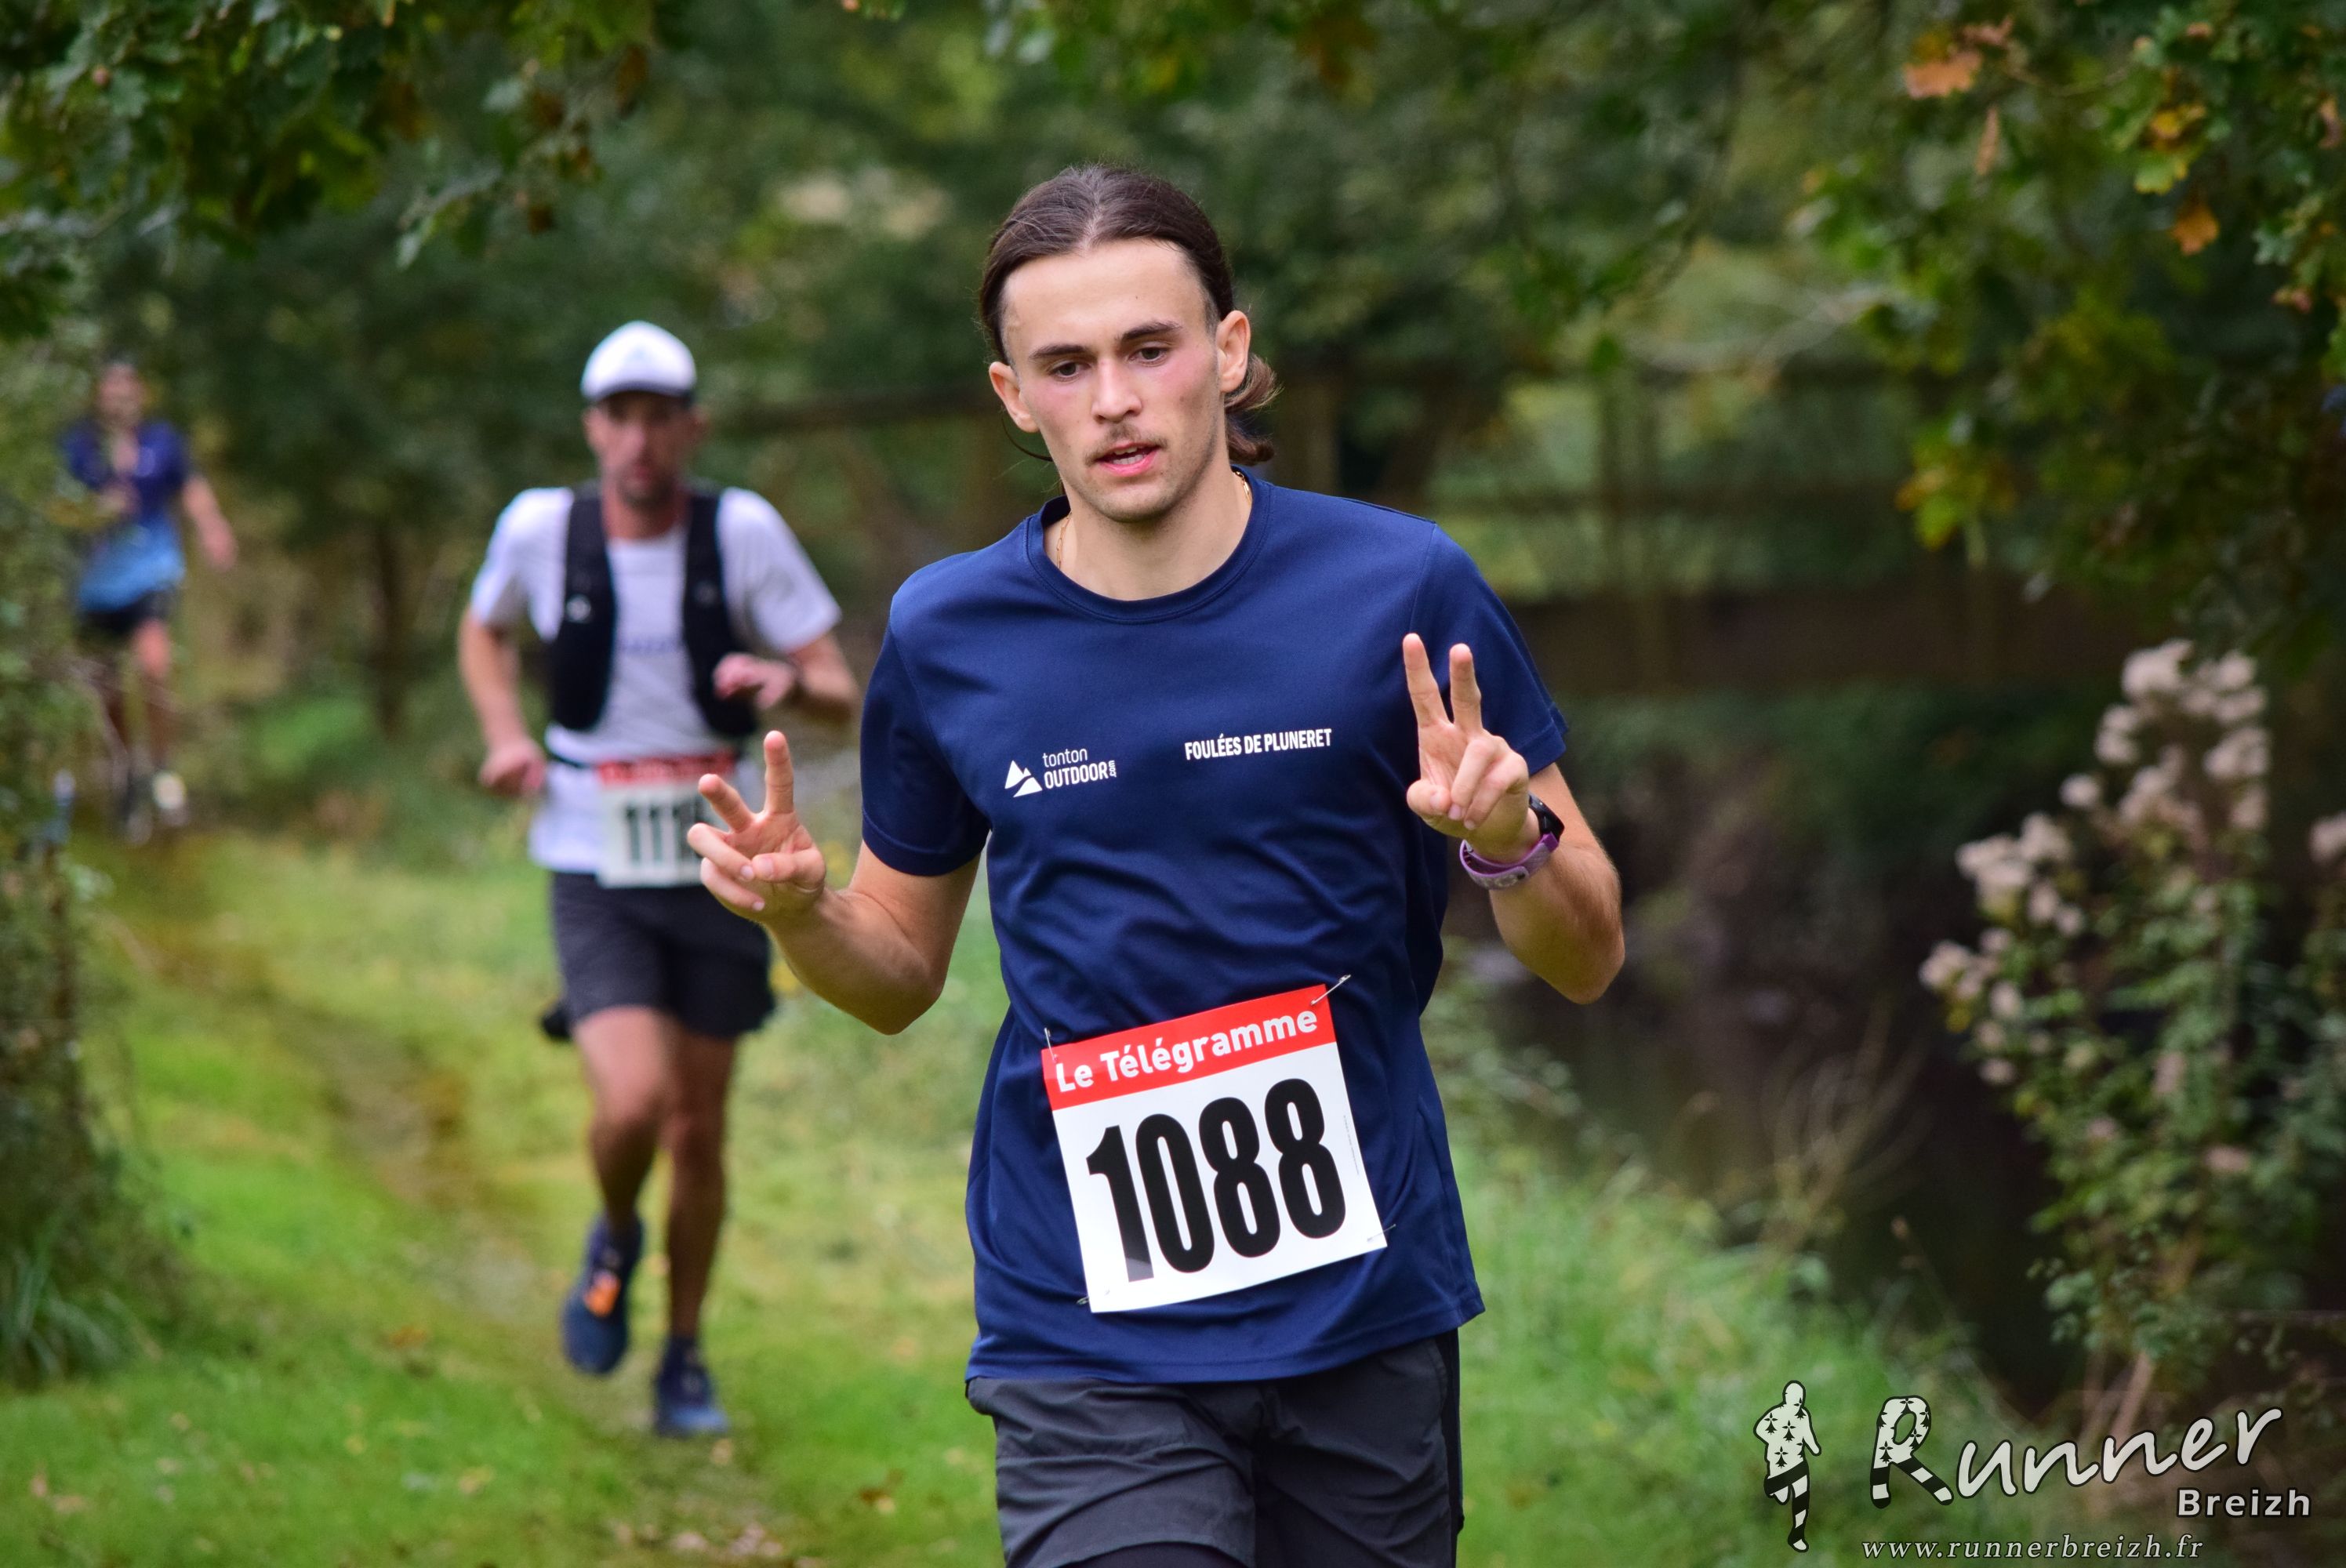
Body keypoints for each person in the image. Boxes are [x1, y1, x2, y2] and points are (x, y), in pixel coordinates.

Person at [688, 167, 1625, 1566]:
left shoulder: (1401, 589)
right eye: (1067, 365)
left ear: (1228, 353)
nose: (1114, 400)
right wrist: (804, 913)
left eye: (1150, 348)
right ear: (1014, 396)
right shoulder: (950, 634)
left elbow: (1589, 956)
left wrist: (1506, 843)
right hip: (1081, 1320)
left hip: (1362, 1308)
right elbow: (894, 976)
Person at [457, 321, 858, 1437]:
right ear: (594, 428)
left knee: (699, 1127)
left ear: (692, 428)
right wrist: (506, 735)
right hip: (591, 857)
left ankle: (684, 1356)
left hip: (720, 860)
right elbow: (483, 633)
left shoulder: (742, 531)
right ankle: (617, 1233)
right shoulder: (542, 529)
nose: (638, 440)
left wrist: (783, 681)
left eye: (659, 418)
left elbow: (839, 690)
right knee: (632, 1102)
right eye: (619, 418)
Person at [60, 358, 238, 830]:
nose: (119, 395)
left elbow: (192, 488)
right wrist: (96, 512)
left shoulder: (162, 441)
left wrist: (213, 528)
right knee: (108, 690)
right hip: (95, 586)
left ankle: (163, 768)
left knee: (154, 664)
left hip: (151, 572)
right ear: (98, 395)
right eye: (110, 386)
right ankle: (126, 775)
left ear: (140, 392)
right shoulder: (79, 446)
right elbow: (56, 506)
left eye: (127, 385)